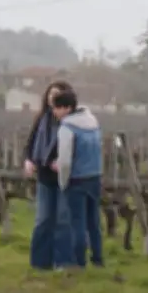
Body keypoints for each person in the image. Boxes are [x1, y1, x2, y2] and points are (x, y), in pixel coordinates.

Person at [22, 80, 74, 270]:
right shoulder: (42, 119)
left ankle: (63, 262)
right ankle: (40, 263)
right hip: (44, 176)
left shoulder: (72, 121)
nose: (53, 98)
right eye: (51, 94)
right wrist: (29, 160)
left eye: (58, 95)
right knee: (43, 219)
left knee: (63, 220)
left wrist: (64, 162)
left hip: (65, 178)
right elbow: (30, 143)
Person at [51, 90, 104, 268]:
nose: (54, 113)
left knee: (77, 223)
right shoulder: (93, 122)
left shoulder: (67, 128)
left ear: (66, 108)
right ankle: (98, 259)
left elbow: (64, 161)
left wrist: (63, 182)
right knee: (93, 222)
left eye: (56, 108)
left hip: (77, 179)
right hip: (95, 177)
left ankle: (79, 263)